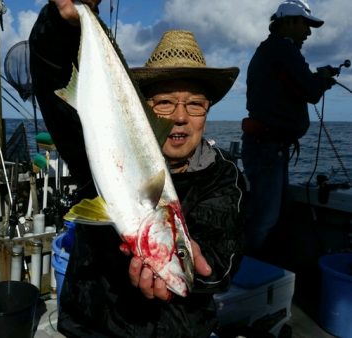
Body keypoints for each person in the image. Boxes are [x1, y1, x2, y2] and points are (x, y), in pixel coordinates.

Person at [29, 1, 245, 337]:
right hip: (95, 327)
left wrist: (196, 272)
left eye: (195, 104)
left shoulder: (224, 177)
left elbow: (218, 258)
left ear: (207, 112)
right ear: (144, 108)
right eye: (164, 102)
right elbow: (50, 71)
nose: (179, 116)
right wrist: (62, 21)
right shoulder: (97, 151)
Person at [241, 0, 337, 259]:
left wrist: (317, 79)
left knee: (272, 215)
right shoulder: (283, 49)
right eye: (305, 25)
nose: (308, 33)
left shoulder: (272, 50)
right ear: (289, 22)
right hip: (268, 150)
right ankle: (247, 279)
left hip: (268, 148)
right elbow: (311, 90)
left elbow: (299, 84)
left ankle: (263, 273)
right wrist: (323, 78)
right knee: (265, 220)